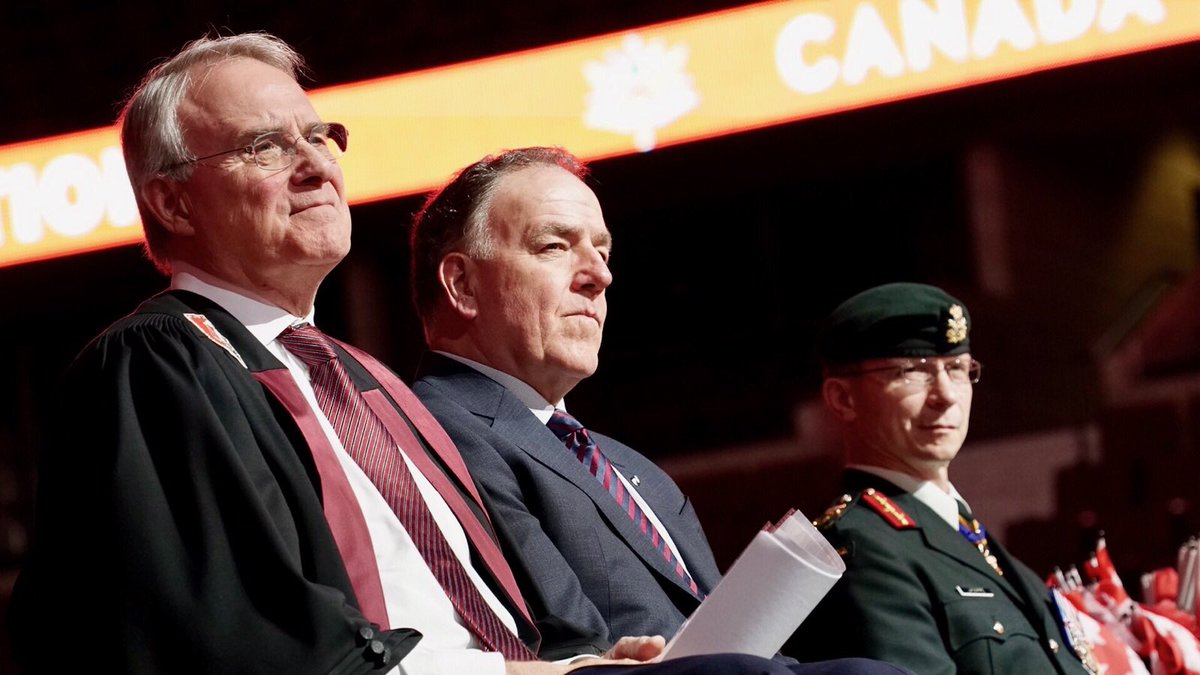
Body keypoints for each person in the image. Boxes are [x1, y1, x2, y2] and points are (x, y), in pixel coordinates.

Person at [8, 34, 813, 675]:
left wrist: (586, 662)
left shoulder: (366, 380)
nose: (316, 163)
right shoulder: (162, 362)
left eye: (321, 135)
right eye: (264, 145)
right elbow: (256, 637)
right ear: (173, 201)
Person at [409, 147, 909, 675]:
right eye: (555, 246)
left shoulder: (635, 470)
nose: (598, 277)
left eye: (602, 252)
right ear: (462, 284)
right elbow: (569, 644)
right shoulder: (432, 430)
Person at [786, 282, 1094, 674]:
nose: (946, 394)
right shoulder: (864, 547)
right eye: (912, 372)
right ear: (843, 399)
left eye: (957, 369)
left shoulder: (964, 536)